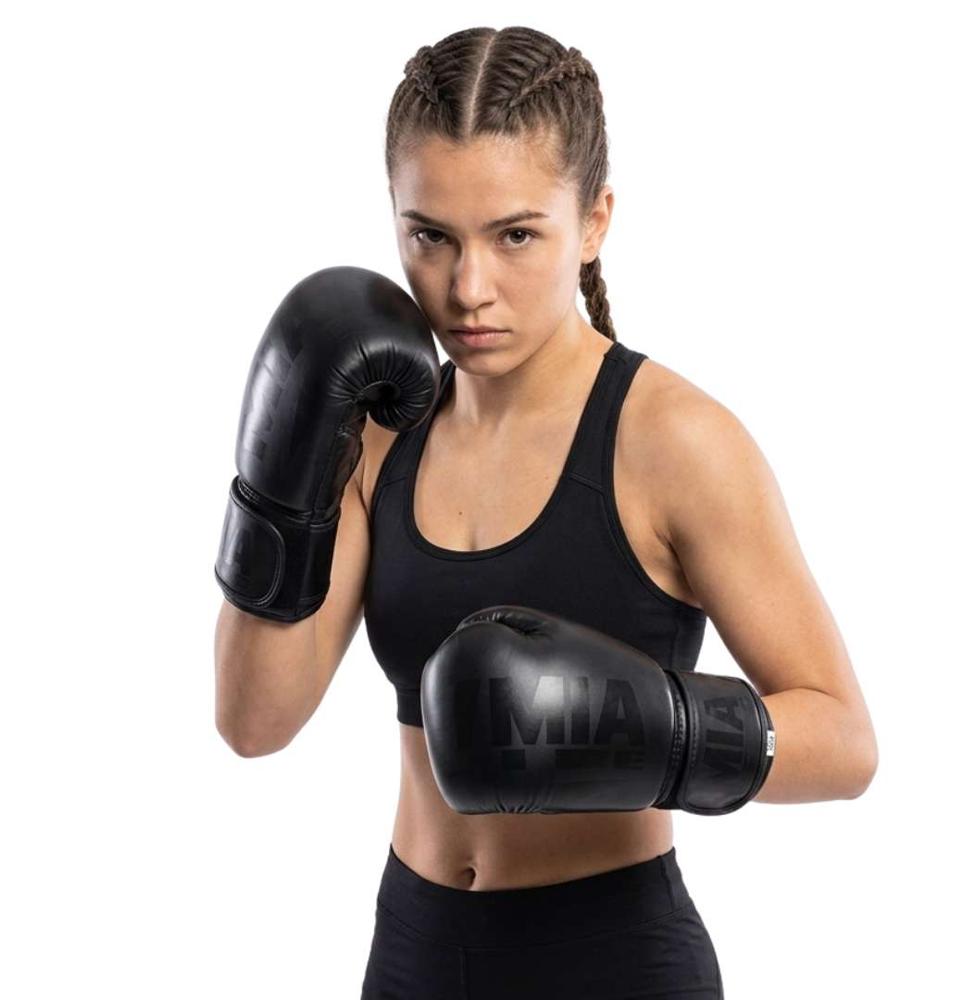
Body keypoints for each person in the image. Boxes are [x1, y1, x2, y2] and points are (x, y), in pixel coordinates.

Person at [214, 25, 879, 1000]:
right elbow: (253, 721)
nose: (467, 289)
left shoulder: (672, 442)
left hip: (610, 958)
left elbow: (846, 742)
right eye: (430, 236)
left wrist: (648, 730)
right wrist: (282, 475)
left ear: (595, 220)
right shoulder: (381, 431)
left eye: (515, 235)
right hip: (413, 951)